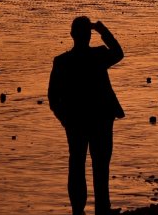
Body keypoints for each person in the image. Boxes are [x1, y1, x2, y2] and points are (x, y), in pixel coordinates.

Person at [48, 17, 126, 215]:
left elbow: (53, 98)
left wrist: (64, 119)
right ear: (89, 35)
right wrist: (102, 30)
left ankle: (78, 210)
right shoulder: (98, 55)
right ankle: (101, 208)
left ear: (72, 35)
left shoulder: (62, 62)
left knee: (77, 164)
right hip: (98, 119)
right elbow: (118, 52)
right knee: (99, 165)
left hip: (77, 121)